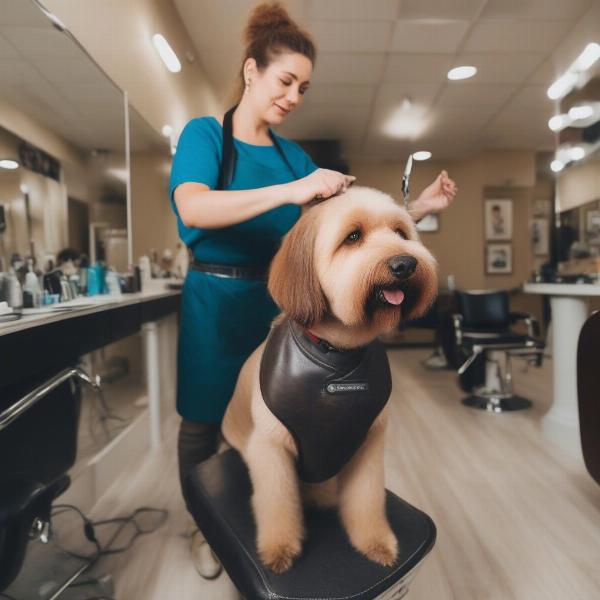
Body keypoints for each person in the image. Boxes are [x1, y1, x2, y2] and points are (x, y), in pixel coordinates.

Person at [169, 0, 457, 580]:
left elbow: (349, 232)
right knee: (204, 425)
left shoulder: (290, 155)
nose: (294, 97)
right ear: (252, 72)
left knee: (282, 428)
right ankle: (206, 527)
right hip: (216, 303)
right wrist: (290, 190)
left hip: (283, 310)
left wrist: (417, 210)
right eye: (285, 81)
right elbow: (192, 204)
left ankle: (290, 514)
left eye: (304, 87)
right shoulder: (208, 137)